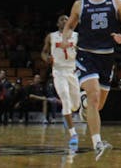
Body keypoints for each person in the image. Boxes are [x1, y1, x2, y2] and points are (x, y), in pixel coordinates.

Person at [62, 0, 121, 158]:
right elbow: (69, 26)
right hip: (86, 55)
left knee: (98, 105)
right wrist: (65, 40)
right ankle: (97, 143)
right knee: (94, 97)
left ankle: (85, 105)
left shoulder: (115, 2)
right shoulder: (80, 4)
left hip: (107, 56)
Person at [43, 14, 80, 148]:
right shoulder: (51, 36)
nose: (64, 20)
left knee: (75, 105)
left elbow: (82, 53)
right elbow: (44, 52)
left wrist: (78, 51)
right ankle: (73, 133)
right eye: (61, 19)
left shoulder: (76, 36)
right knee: (65, 97)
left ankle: (68, 115)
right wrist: (47, 58)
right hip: (58, 72)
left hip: (72, 71)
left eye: (66, 19)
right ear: (58, 23)